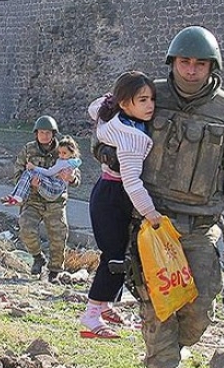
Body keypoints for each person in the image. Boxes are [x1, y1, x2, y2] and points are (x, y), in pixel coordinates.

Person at [102, 26, 224, 368]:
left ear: (212, 66)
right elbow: (106, 128)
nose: (191, 69)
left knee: (200, 308)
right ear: (173, 62)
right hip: (152, 225)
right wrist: (109, 154)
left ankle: (171, 350)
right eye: (184, 61)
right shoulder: (147, 95)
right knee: (157, 307)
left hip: (201, 228)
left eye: (200, 63)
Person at [80, 71, 162, 339]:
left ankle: (104, 304)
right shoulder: (131, 137)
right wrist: (151, 214)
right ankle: (91, 315)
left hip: (107, 192)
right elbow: (132, 182)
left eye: (151, 99)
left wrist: (110, 99)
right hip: (114, 197)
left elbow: (95, 108)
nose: (150, 106)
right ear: (125, 103)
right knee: (114, 258)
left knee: (119, 255)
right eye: (142, 100)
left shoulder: (112, 117)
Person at [12, 115, 81, 282]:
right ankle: (37, 257)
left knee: (58, 236)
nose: (45, 136)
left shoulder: (63, 149)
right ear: (36, 134)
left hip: (55, 201)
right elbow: (18, 174)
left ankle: (55, 271)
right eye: (41, 132)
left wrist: (71, 178)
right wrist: (31, 184)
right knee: (26, 229)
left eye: (48, 133)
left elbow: (76, 176)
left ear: (54, 134)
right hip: (33, 200)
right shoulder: (28, 150)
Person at [0, 135, 82, 206]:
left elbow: (49, 173)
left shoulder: (64, 163)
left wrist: (34, 167)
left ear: (72, 152)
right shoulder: (72, 162)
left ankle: (17, 197)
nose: (60, 155)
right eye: (59, 153)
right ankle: (16, 196)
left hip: (55, 188)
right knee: (29, 173)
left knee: (30, 172)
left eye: (64, 153)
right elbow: (18, 171)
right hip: (50, 189)